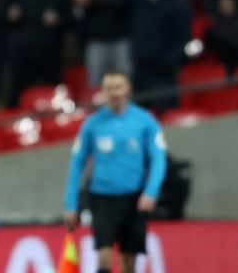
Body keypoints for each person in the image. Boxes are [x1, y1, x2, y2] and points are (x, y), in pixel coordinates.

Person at [64, 71, 168, 273]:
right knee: (104, 256)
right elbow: (77, 164)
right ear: (102, 92)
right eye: (109, 88)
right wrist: (70, 204)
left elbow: (158, 159)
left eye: (118, 87)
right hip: (102, 198)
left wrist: (151, 192)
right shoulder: (92, 124)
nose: (114, 93)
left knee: (129, 261)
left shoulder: (145, 121)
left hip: (134, 198)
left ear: (128, 88)